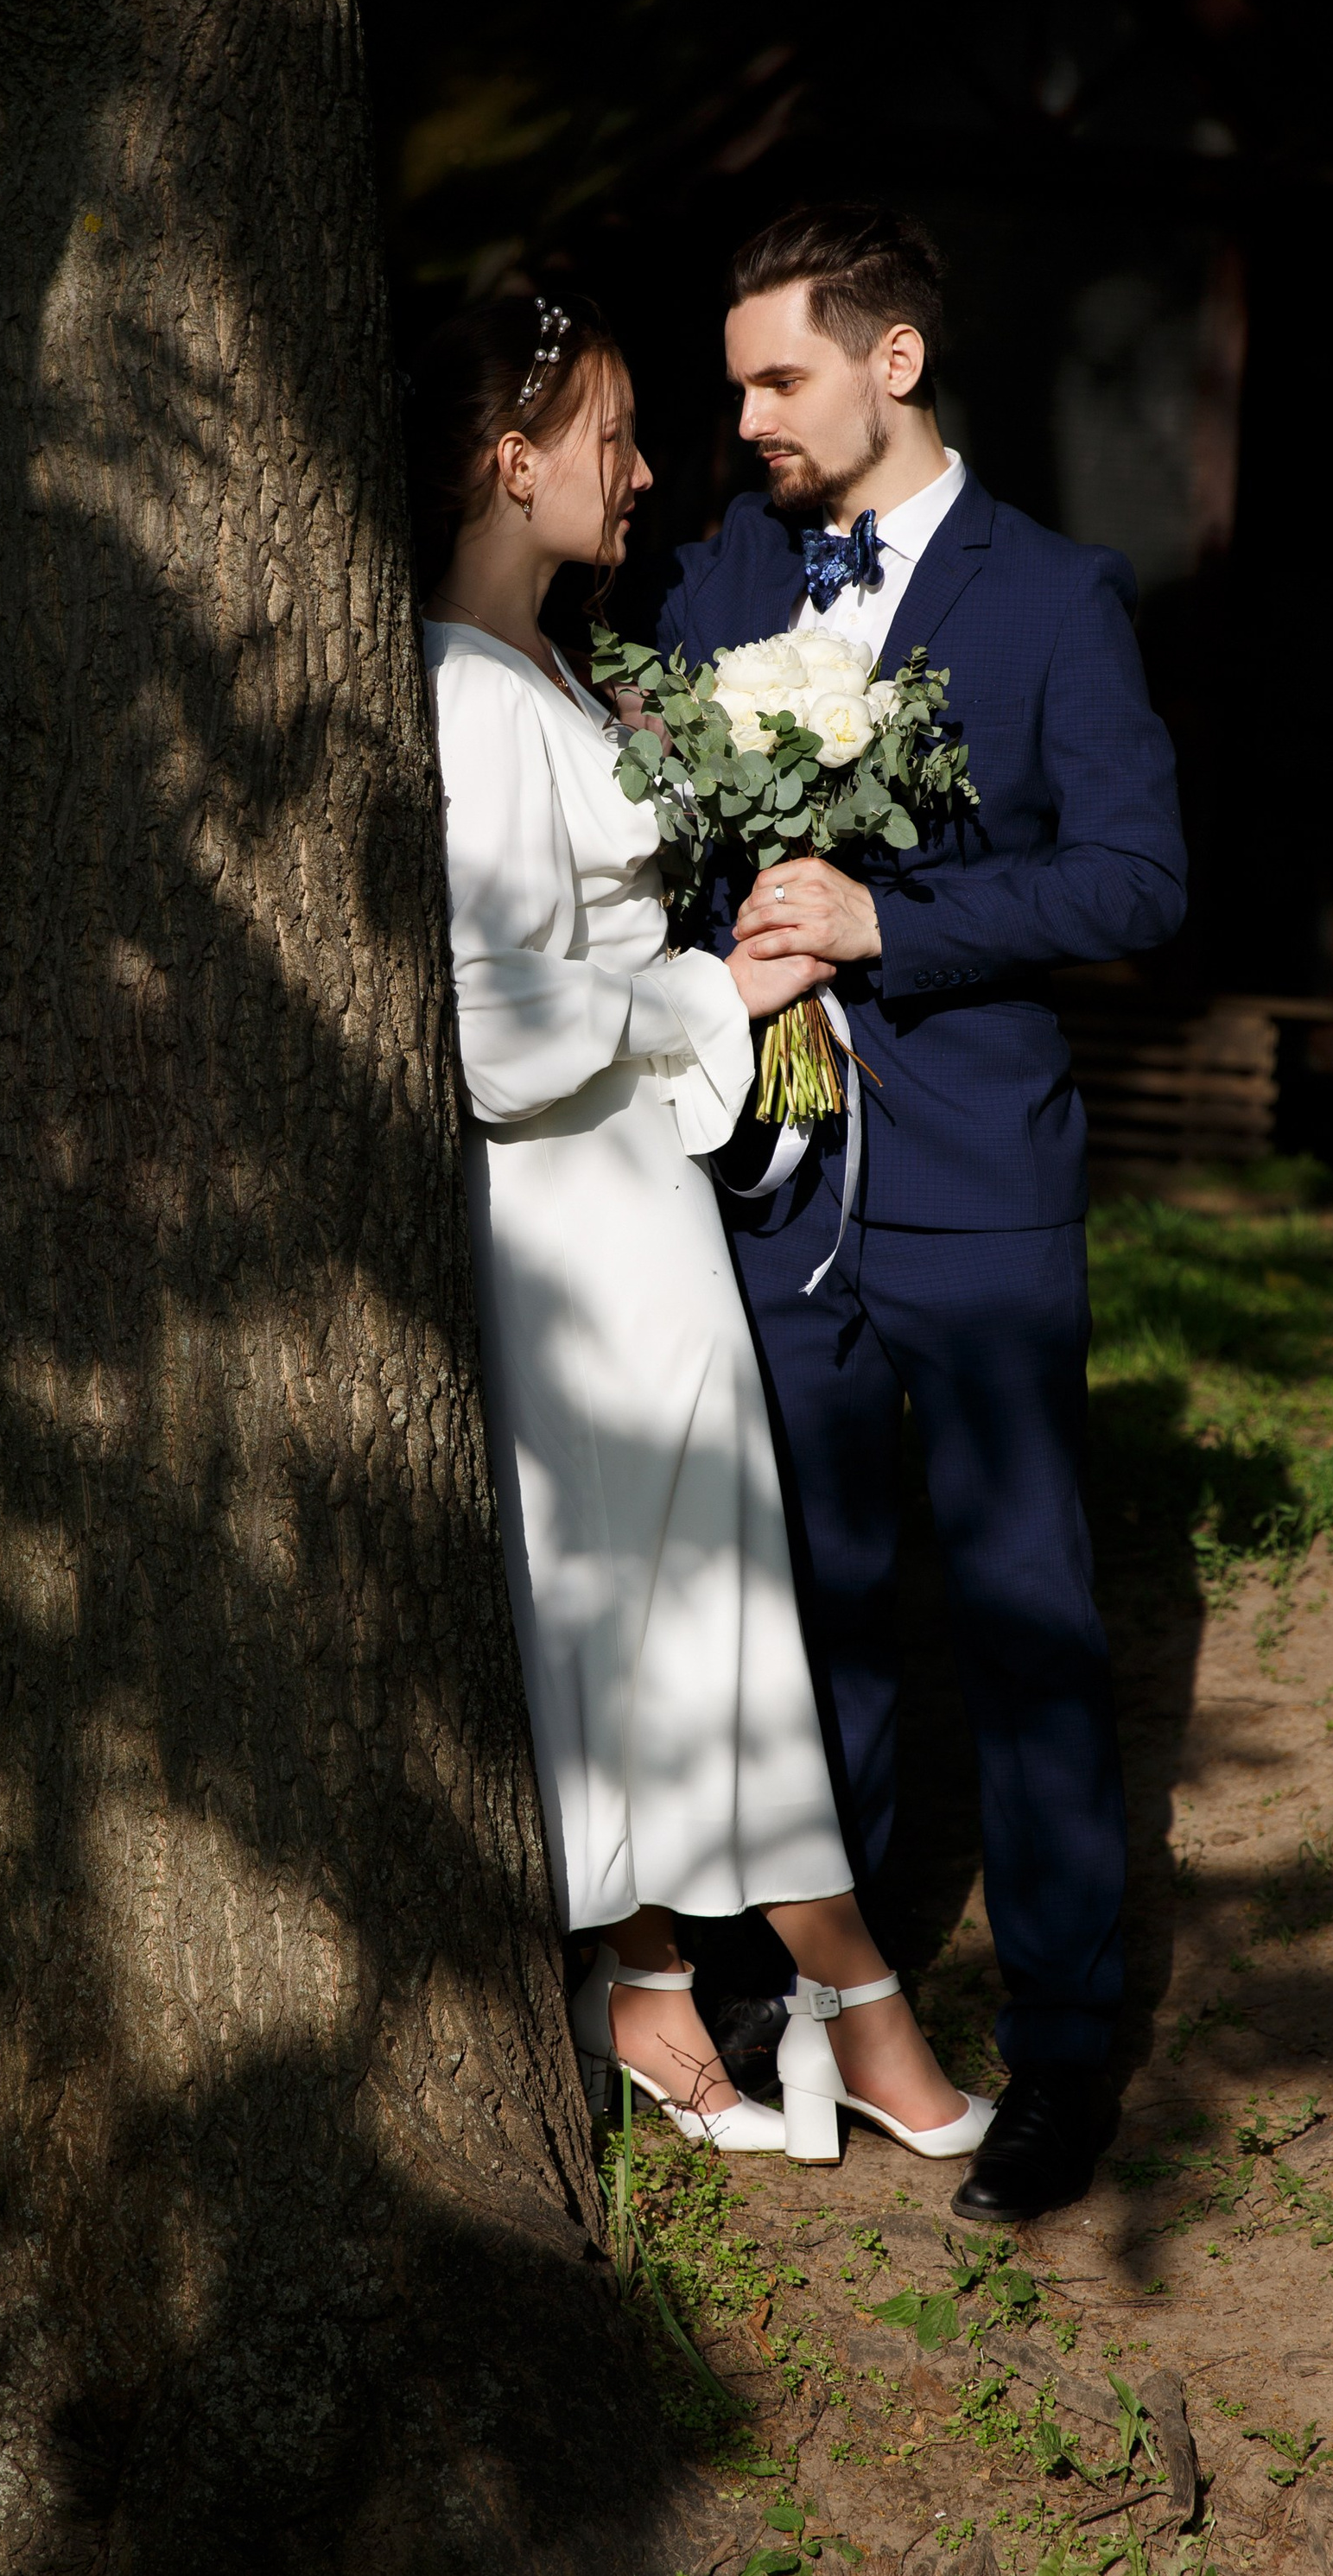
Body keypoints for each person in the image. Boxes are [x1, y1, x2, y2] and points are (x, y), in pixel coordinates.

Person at [411, 288, 993, 2168]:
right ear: (512, 462)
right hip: (570, 1226)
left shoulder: (565, 670)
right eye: (610, 440)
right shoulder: (459, 692)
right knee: (669, 1609)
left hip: (638, 1205)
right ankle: (853, 2001)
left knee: (685, 1604)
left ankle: (657, 1984)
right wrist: (705, 1002)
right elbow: (488, 1029)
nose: (647, 471)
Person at [652, 205, 1189, 2223]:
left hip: (973, 1190)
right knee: (800, 1622)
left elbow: (1136, 881)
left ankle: (1058, 2057)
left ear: (890, 365)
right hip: (762, 1193)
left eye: (775, 378)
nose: (748, 420)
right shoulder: (728, 564)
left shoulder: (1055, 599)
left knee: (1030, 1624)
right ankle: (811, 2002)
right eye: (727, 390)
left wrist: (901, 920)